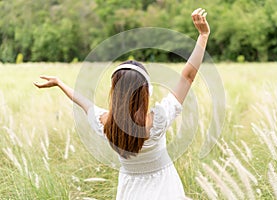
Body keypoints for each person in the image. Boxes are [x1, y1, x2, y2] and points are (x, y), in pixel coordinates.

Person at [34, 7, 210, 200]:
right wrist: (203, 35)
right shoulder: (158, 120)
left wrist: (60, 83)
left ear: (115, 92)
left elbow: (83, 102)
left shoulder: (106, 123)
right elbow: (188, 76)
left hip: (130, 192)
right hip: (165, 190)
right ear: (145, 92)